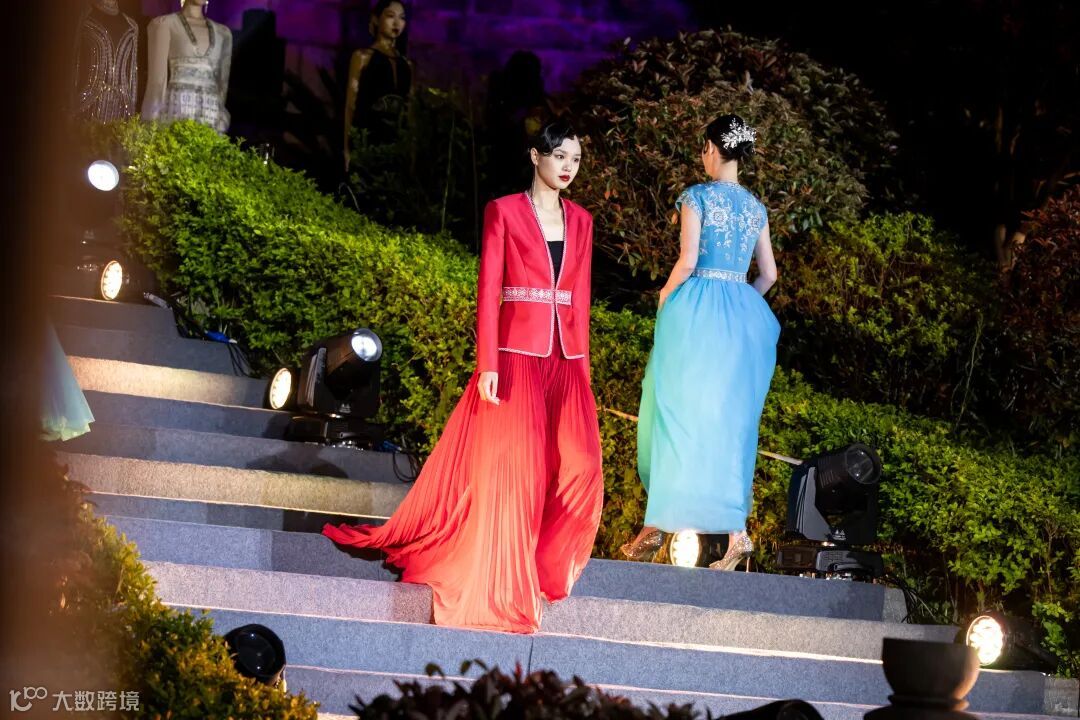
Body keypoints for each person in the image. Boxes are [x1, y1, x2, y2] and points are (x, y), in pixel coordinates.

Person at [323, 121, 603, 633]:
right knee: (519, 478)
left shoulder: (582, 221)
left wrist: (582, 372)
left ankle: (544, 568)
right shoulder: (504, 211)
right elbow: (489, 291)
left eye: (576, 159)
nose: (568, 167)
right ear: (535, 156)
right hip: (515, 358)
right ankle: (507, 587)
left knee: (581, 469)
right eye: (560, 155)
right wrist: (488, 364)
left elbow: (579, 299)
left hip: (565, 362)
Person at [624, 115, 780, 570]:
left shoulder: (697, 197)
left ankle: (655, 526)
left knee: (674, 412)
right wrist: (741, 308)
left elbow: (688, 261)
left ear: (712, 148)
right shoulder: (756, 208)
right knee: (730, 425)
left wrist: (665, 296)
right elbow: (769, 275)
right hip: (739, 318)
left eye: (704, 148)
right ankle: (737, 534)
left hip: (694, 313)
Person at [141, 0, 233, 133]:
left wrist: (220, 121)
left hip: (211, 118)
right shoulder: (165, 24)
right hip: (177, 113)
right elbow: (157, 82)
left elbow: (222, 86)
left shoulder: (223, 33)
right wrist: (150, 127)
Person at [343, 0, 412, 171]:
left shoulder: (407, 65)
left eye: (402, 18)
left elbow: (410, 110)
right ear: (376, 19)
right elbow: (351, 105)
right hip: (367, 140)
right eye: (390, 16)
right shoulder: (362, 57)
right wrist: (347, 148)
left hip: (396, 145)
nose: (397, 23)